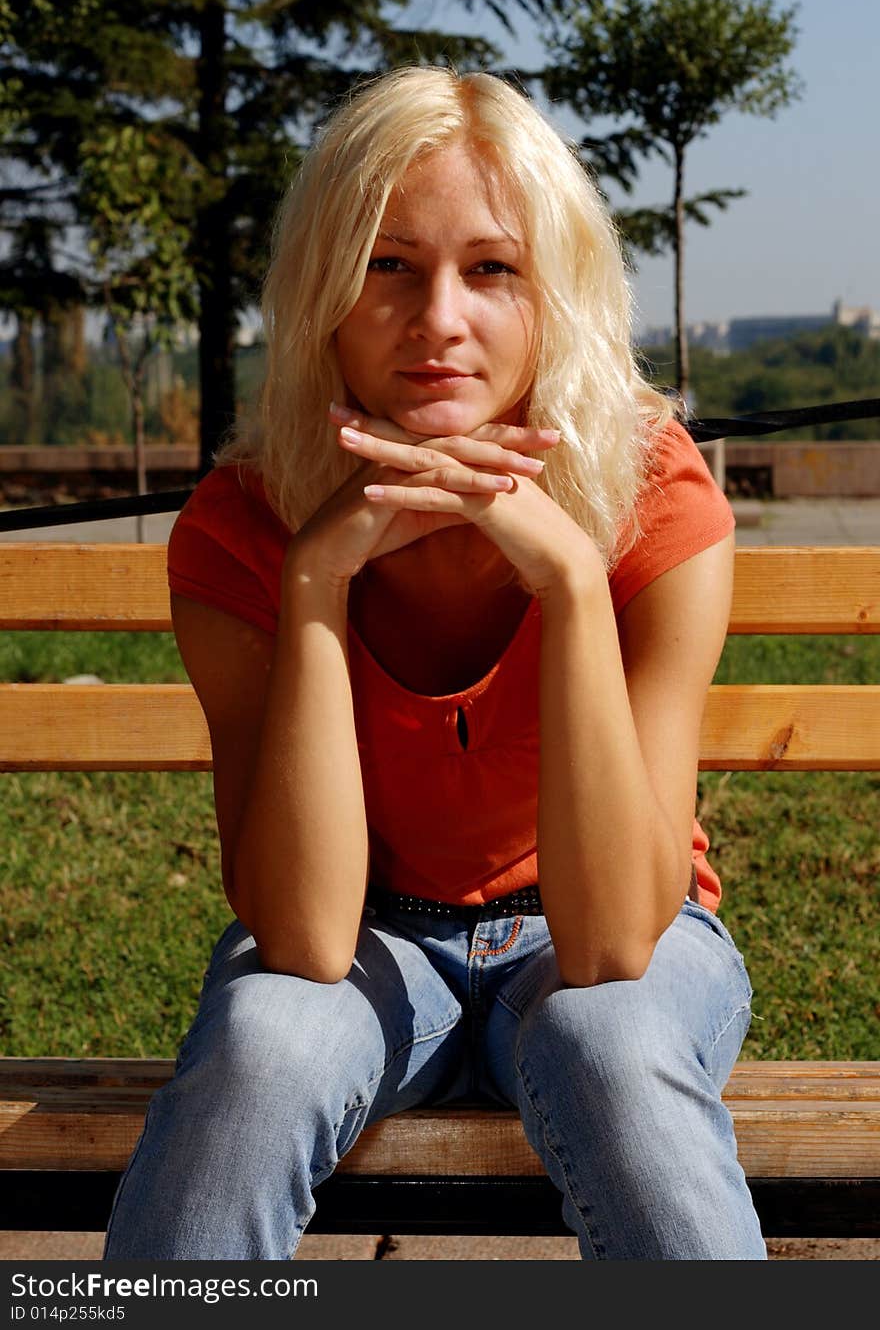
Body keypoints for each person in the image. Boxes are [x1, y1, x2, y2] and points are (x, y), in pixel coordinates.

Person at [102, 66, 765, 1261]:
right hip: (366, 936)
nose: (439, 319)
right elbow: (305, 938)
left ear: (554, 292)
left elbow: (617, 941)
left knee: (608, 1041)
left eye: (492, 267)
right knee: (265, 1041)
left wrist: (566, 581)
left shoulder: (651, 497)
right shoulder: (239, 527)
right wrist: (317, 581)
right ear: (323, 293)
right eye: (389, 264)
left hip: (599, 936)